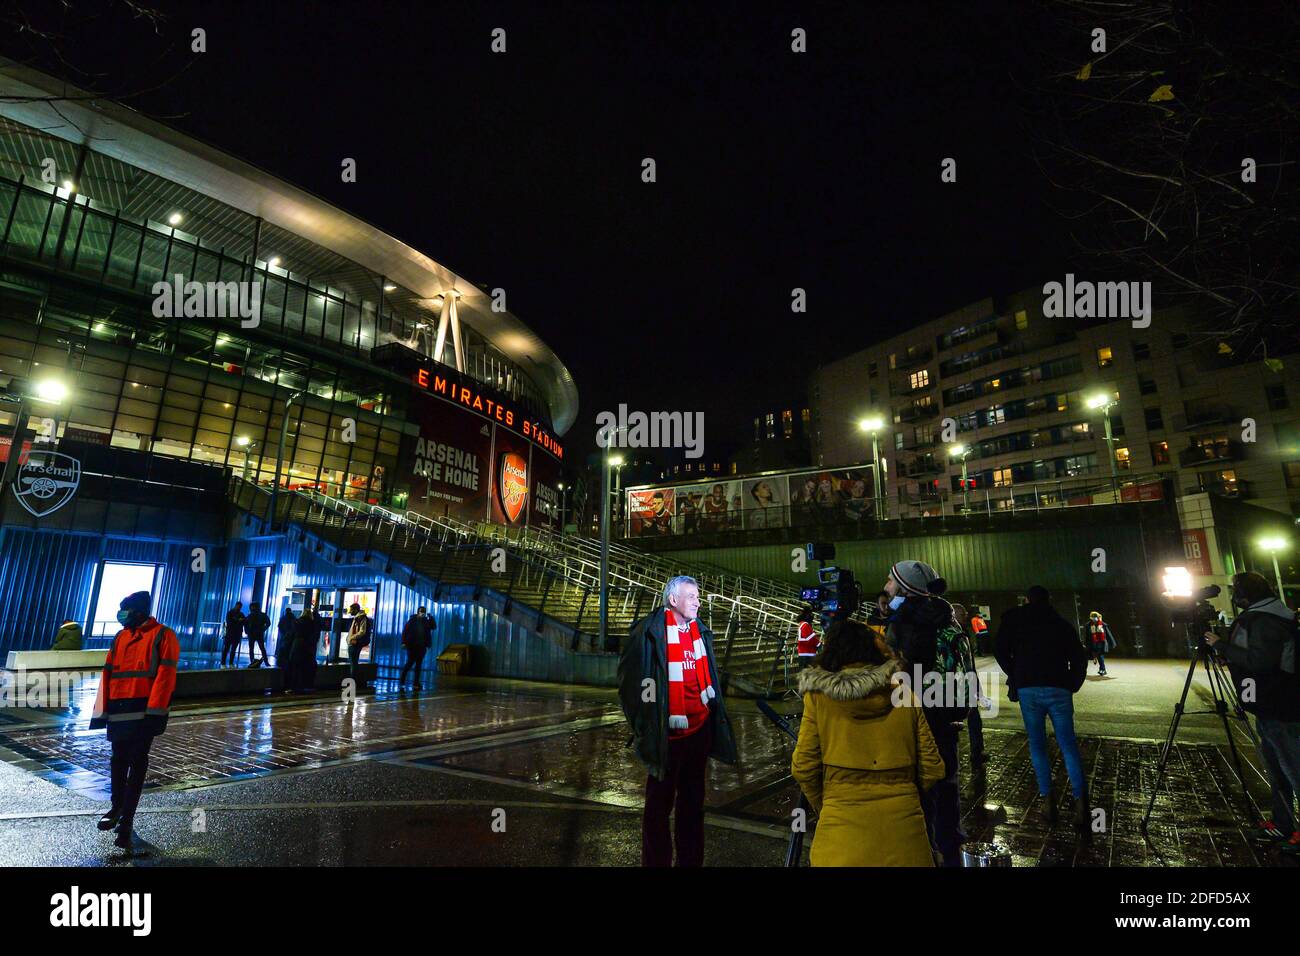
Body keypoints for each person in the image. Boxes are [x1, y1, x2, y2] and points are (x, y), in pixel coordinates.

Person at [792, 618, 945, 866]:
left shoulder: (818, 697)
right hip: (905, 837)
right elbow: (933, 766)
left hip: (839, 837)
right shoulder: (903, 692)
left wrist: (829, 804)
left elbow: (803, 768)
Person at [619, 575, 738, 866]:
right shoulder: (648, 632)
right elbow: (629, 686)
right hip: (667, 738)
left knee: (692, 806)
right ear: (673, 600)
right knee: (658, 810)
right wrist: (646, 727)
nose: (698, 601)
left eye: (698, 596)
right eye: (692, 596)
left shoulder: (699, 631)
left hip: (699, 733)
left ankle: (690, 861)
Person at [1205, 572, 1300, 856]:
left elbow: (1258, 661)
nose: (1234, 597)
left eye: (1236, 591)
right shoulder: (1272, 614)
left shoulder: (1264, 620)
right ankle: (1283, 823)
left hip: (1279, 706)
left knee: (1293, 771)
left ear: (1245, 594)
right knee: (1277, 770)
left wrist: (1220, 646)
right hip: (1271, 704)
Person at [884, 559, 972, 865]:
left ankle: (922, 852)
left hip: (914, 721)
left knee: (918, 793)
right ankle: (951, 850)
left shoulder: (901, 624)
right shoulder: (948, 619)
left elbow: (895, 679)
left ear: (906, 589)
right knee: (947, 788)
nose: (886, 587)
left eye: (891, 581)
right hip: (947, 719)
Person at [994, 585, 1089, 828]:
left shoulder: (1016, 621)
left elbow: (1000, 650)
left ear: (1026, 600)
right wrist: (1073, 682)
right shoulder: (1061, 624)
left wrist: (1015, 673)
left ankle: (1048, 801)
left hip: (1028, 688)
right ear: (1049, 599)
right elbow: (1078, 656)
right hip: (1059, 687)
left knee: (1037, 745)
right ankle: (1081, 804)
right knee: (1068, 744)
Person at [89, 591, 178, 852]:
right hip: (119, 708)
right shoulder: (121, 636)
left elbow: (166, 676)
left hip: (143, 712)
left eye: (125, 609)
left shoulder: (163, 635)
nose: (121, 615)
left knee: (137, 762)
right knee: (118, 760)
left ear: (139, 611)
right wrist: (101, 711)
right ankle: (117, 807)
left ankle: (126, 820)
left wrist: (155, 712)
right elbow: (108, 673)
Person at [951, 604, 988, 767]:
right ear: (954, 616)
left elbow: (970, 664)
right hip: (958, 685)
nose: (965, 617)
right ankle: (970, 753)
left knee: (973, 719)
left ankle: (976, 751)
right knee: (961, 721)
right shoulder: (955, 635)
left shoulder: (962, 633)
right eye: (962, 614)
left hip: (966, 683)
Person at [400, 606, 436, 689]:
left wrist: (431, 617)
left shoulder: (426, 621)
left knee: (418, 665)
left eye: (423, 612)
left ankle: (416, 683)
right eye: (421, 612)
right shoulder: (412, 621)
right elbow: (405, 632)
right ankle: (402, 680)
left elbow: (434, 627)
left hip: (422, 646)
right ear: (418, 612)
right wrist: (403, 642)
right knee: (410, 663)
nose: (422, 613)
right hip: (412, 646)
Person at [286, 607, 320, 693]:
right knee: (306, 666)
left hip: (297, 645)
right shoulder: (312, 624)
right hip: (308, 647)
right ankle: (305, 685)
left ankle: (294, 686)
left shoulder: (297, 622)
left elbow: (291, 634)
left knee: (295, 666)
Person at [346, 602, 373, 692]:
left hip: (355, 643)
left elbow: (362, 631)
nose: (350, 612)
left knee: (353, 664)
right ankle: (353, 683)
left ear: (356, 609)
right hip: (353, 643)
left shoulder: (361, 618)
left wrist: (352, 638)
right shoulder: (358, 618)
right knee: (354, 663)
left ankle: (352, 684)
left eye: (351, 610)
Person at [1086, 611, 1116, 676]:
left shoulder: (1103, 625)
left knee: (1100, 656)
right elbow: (1087, 636)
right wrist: (1086, 643)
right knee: (1093, 655)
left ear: (1097, 617)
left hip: (1101, 643)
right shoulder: (1088, 625)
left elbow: (1108, 634)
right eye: (1092, 617)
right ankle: (1094, 658)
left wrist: (1112, 643)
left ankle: (1102, 669)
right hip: (1093, 643)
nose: (1094, 619)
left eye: (1095, 617)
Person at [244, 601, 270, 668]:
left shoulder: (256, 615)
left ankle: (255, 661)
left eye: (253, 607)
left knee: (258, 648)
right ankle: (261, 662)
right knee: (258, 648)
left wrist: (263, 629)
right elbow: (246, 623)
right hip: (255, 633)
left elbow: (268, 623)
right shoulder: (254, 615)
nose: (253, 608)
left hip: (256, 633)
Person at [221, 602, 245, 667]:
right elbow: (229, 622)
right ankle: (224, 663)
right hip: (231, 633)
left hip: (235, 633)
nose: (239, 608)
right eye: (238, 606)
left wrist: (236, 620)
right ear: (236, 606)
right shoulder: (231, 613)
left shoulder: (238, 614)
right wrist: (238, 621)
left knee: (232, 649)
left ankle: (229, 663)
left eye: (240, 607)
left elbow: (243, 622)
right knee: (227, 648)